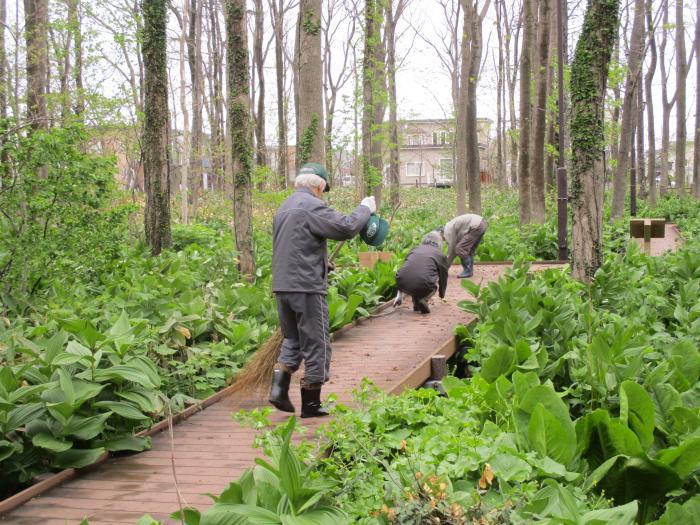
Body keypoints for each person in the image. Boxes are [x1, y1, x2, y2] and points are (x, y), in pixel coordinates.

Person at [269, 162, 376, 418]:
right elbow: (347, 227)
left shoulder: (284, 208)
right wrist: (365, 208)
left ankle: (278, 389)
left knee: (293, 339)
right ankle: (311, 405)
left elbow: (294, 244)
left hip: (283, 286)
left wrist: (321, 262)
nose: (323, 194)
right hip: (306, 287)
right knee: (318, 343)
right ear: (318, 186)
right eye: (323, 190)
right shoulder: (310, 205)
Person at [393, 231, 448, 314]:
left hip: (402, 282)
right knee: (429, 282)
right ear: (439, 243)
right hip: (423, 283)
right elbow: (443, 277)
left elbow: (406, 270)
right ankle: (424, 299)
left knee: (417, 277)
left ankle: (417, 304)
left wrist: (399, 295)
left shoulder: (415, 249)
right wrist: (442, 294)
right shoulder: (440, 254)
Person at [442, 213, 488, 278]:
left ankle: (468, 271)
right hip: (482, 223)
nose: (443, 240)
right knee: (469, 249)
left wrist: (444, 268)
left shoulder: (447, 231)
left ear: (441, 232)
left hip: (476, 225)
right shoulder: (451, 226)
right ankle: (470, 270)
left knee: (460, 248)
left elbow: (452, 250)